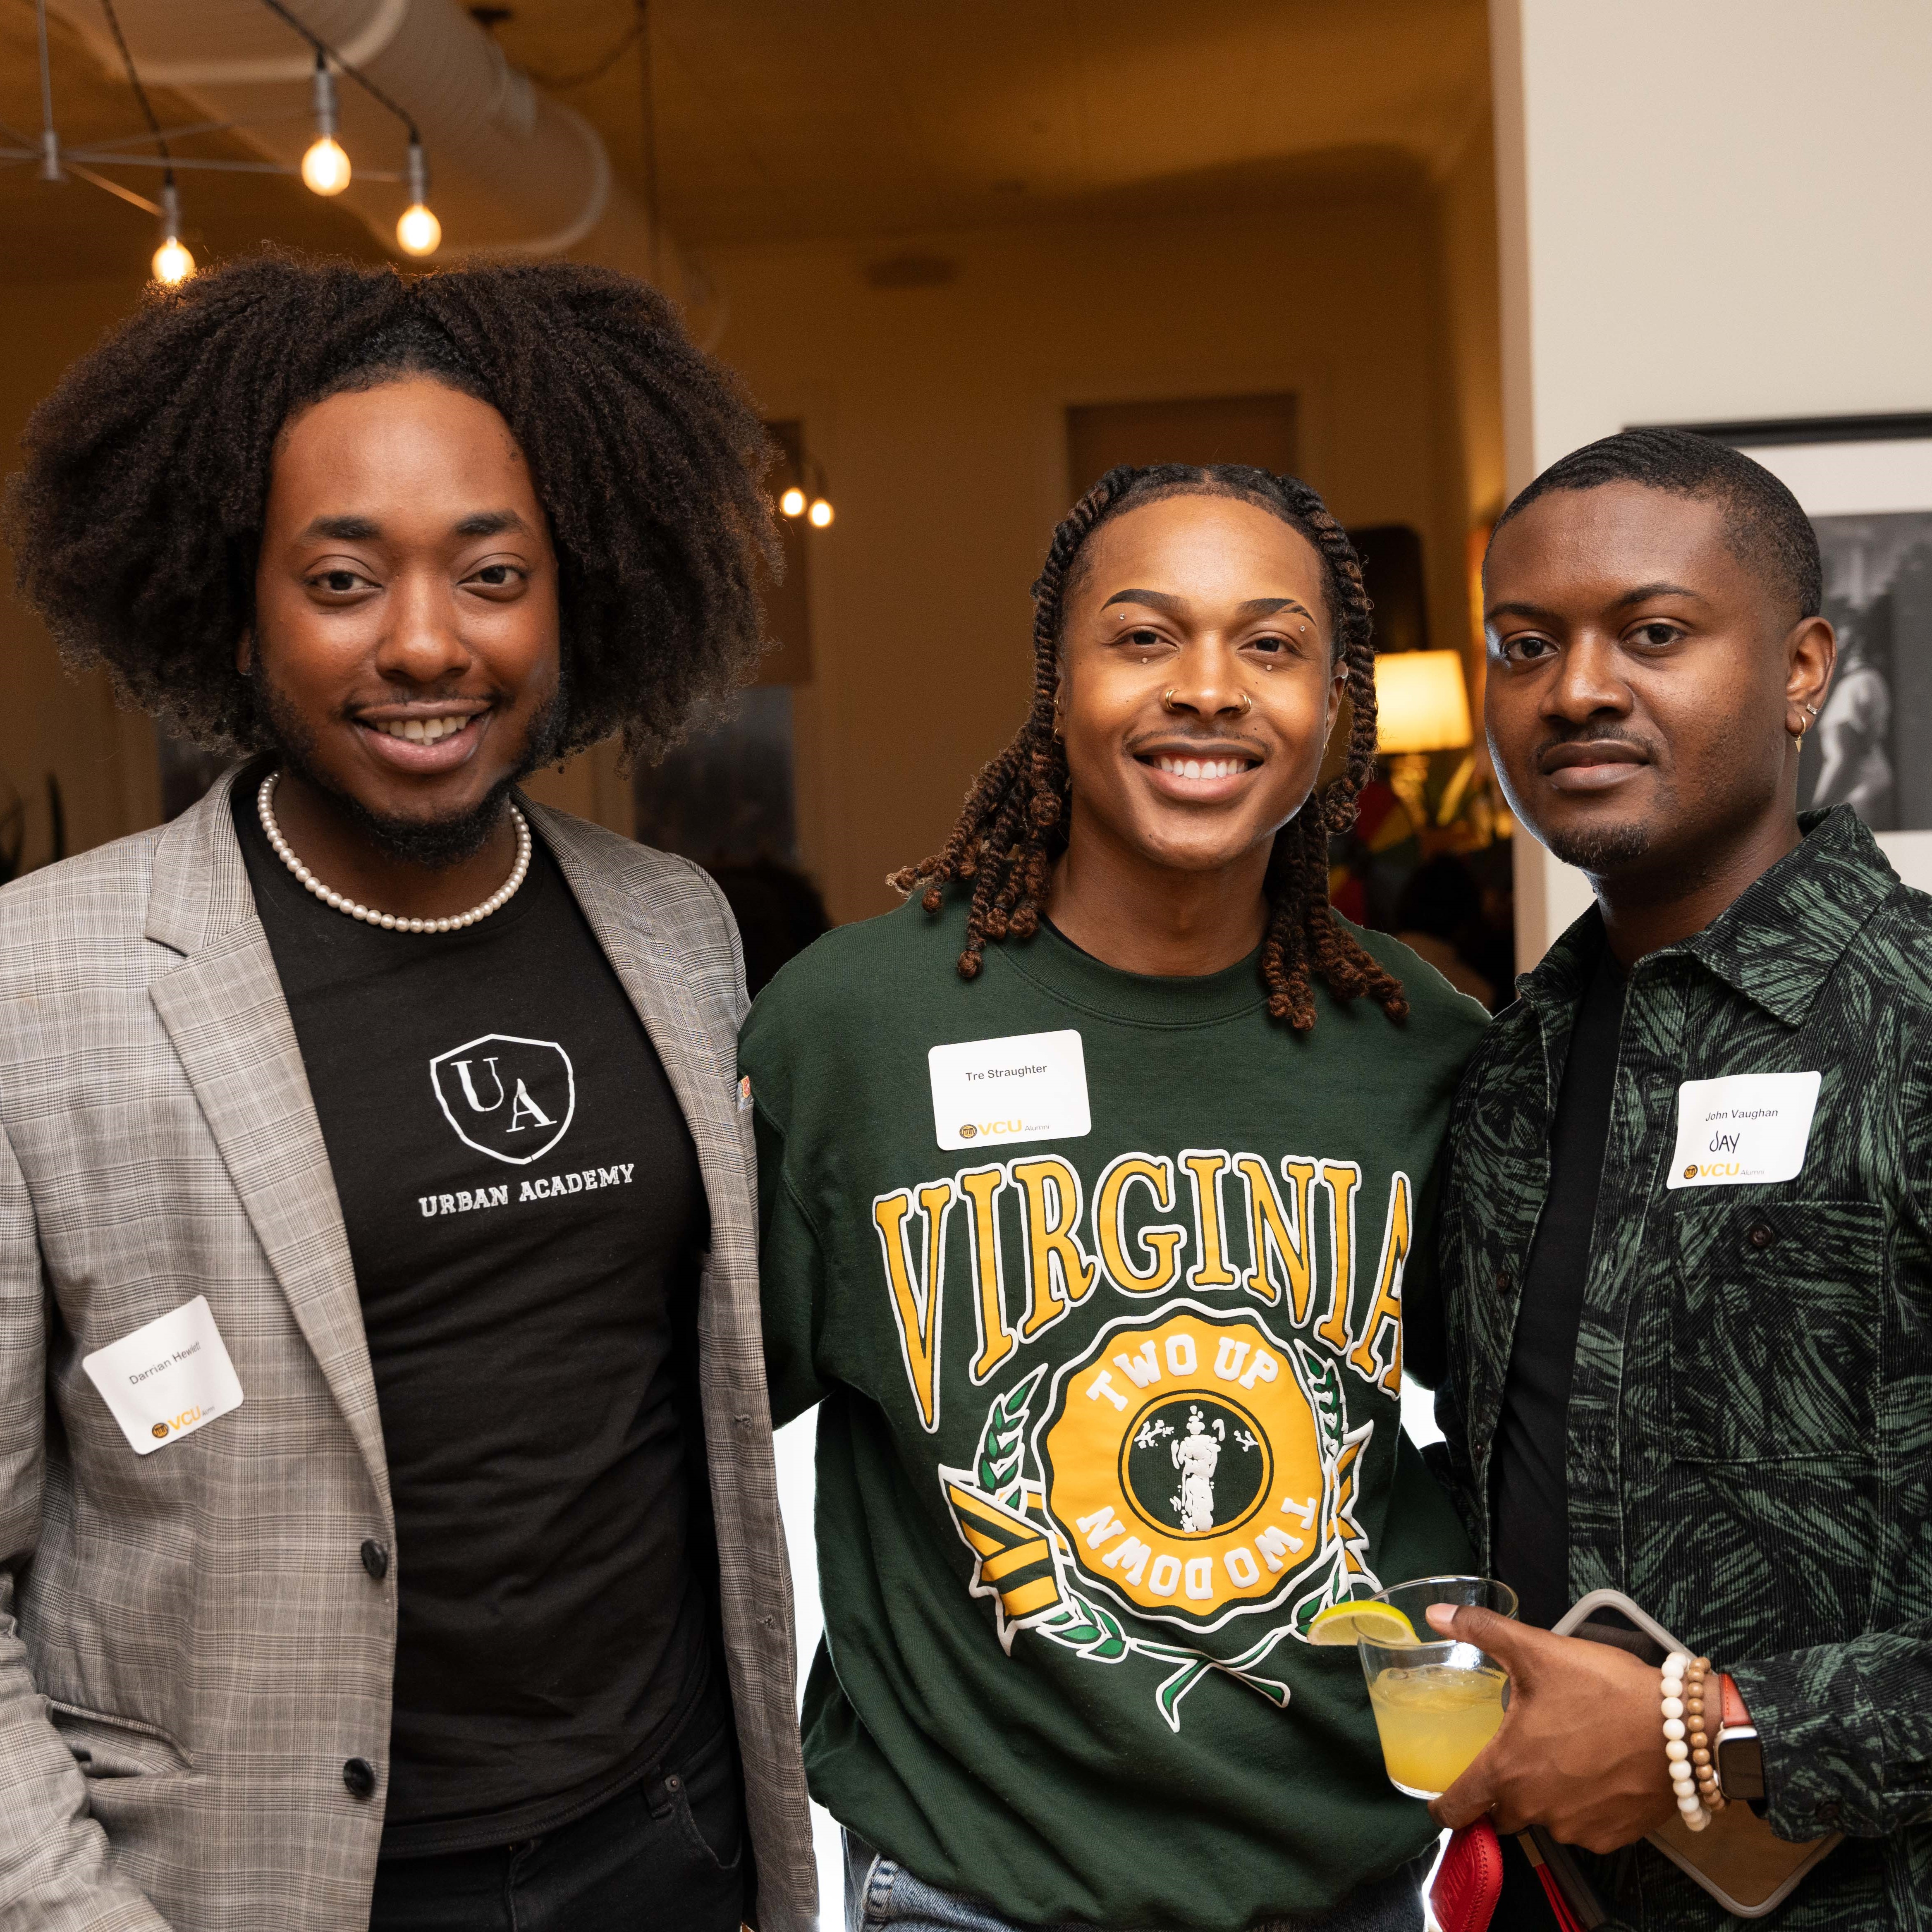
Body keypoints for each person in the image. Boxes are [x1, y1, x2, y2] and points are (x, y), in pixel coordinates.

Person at [0, 255, 813, 1932]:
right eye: (344, 577)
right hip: (260, 1888)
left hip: (664, 1845)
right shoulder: (43, 983)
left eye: (493, 573)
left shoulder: (675, 933)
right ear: (240, 609)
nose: (427, 642)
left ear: (574, 597)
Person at [741, 464, 1491, 1932]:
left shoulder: (1423, 1039)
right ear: (1058, 680)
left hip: (1338, 1873)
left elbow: (1521, 1440)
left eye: (1271, 646)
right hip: (976, 1881)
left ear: (1335, 702)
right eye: (1143, 637)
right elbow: (686, 1435)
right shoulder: (856, 1028)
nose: (1208, 689)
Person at [1425, 427, 1932, 1926]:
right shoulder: (1507, 1065)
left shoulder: (1914, 1034)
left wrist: (1709, 1734)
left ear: (1801, 671)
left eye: (1652, 634)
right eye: (1525, 644)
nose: (1576, 689)